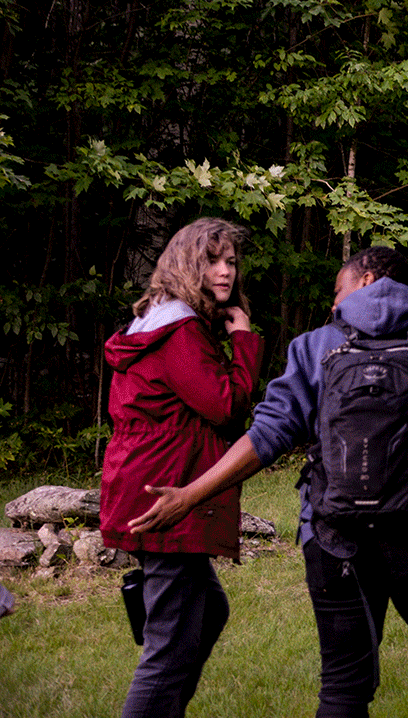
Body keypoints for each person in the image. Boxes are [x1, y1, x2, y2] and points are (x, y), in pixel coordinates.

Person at [129, 246, 408, 718]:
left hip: (333, 537)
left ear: (367, 279)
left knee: (343, 685)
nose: (333, 304)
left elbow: (268, 435)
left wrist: (191, 494)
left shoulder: (315, 347)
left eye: (337, 290)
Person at [99, 217, 264, 718]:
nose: (225, 271)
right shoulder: (180, 330)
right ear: (186, 263)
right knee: (168, 648)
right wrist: (245, 341)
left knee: (209, 610)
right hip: (165, 492)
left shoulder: (159, 321)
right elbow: (223, 403)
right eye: (212, 260)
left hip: (147, 481)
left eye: (231, 261)